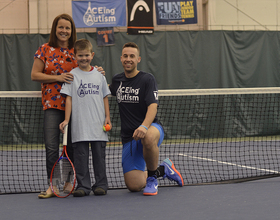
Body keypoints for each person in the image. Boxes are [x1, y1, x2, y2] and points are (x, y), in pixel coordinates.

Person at [31, 14, 104, 198]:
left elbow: (86, 69)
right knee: (51, 147)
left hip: (77, 107)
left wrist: (98, 71)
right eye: (61, 27)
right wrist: (58, 77)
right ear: (55, 29)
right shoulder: (44, 49)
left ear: (72, 31)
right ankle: (53, 186)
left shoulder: (76, 50)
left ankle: (70, 183)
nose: (64, 31)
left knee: (73, 148)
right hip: (53, 105)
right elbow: (35, 75)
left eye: (67, 28)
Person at [109, 42, 184, 196]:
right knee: (134, 186)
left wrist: (143, 126)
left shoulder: (147, 79)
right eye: (125, 56)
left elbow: (152, 106)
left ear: (138, 59)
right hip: (130, 138)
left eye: (132, 56)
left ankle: (152, 179)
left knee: (148, 138)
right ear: (121, 58)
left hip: (151, 128)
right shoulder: (117, 81)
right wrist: (94, 73)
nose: (128, 59)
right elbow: (102, 90)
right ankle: (164, 169)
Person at [59, 39, 111, 197]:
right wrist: (67, 120)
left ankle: (101, 185)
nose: (84, 58)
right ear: (75, 56)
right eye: (80, 55)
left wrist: (107, 117)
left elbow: (105, 97)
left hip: (98, 126)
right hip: (79, 126)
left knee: (99, 158)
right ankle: (83, 186)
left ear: (92, 55)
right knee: (80, 159)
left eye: (86, 55)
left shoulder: (99, 76)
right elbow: (68, 98)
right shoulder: (72, 76)